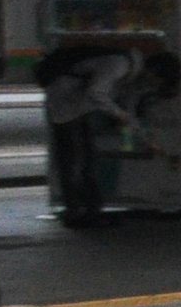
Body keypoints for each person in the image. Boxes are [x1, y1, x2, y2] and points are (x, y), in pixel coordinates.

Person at [37, 42, 138, 227]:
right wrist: (119, 114)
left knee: (77, 158)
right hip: (67, 105)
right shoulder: (119, 66)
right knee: (76, 159)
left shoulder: (116, 59)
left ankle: (83, 207)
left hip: (71, 104)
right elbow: (96, 92)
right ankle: (81, 209)